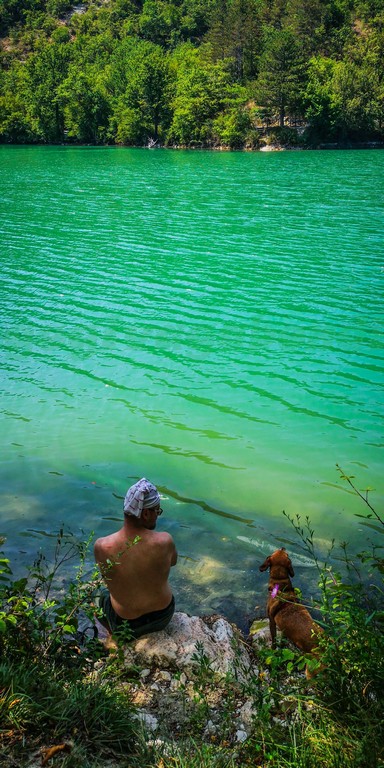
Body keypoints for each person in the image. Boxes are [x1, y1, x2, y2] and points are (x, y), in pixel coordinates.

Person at [94, 477, 177, 639]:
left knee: (97, 596)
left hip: (125, 625)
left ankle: (112, 635)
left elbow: (109, 578)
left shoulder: (102, 546)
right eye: (157, 511)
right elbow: (172, 562)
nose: (157, 516)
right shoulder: (165, 541)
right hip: (163, 617)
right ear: (145, 513)